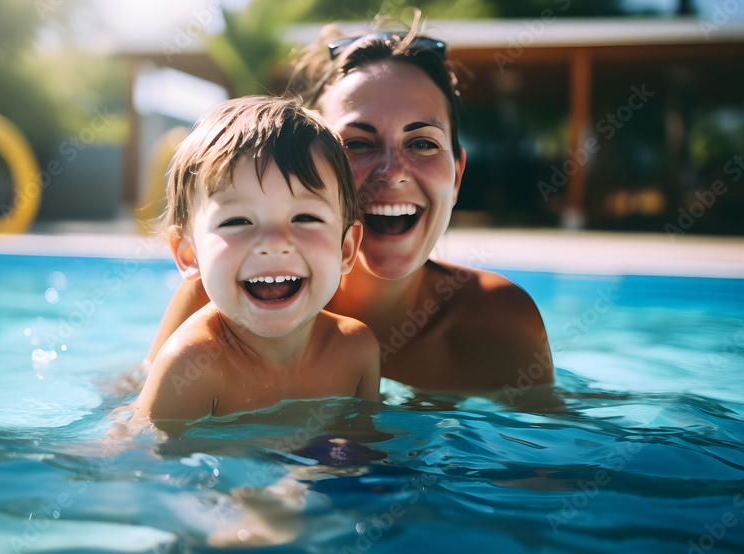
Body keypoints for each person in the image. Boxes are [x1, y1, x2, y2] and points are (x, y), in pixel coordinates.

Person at [139, 15, 553, 398]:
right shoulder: (228, 291)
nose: (392, 172)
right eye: (356, 143)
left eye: (423, 143)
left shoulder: (499, 324)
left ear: (458, 175)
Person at [129, 95, 380, 423]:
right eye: (237, 222)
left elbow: (364, 449)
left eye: (305, 217)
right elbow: (147, 465)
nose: (274, 244)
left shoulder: (356, 351)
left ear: (346, 250)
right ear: (189, 254)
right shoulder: (191, 368)